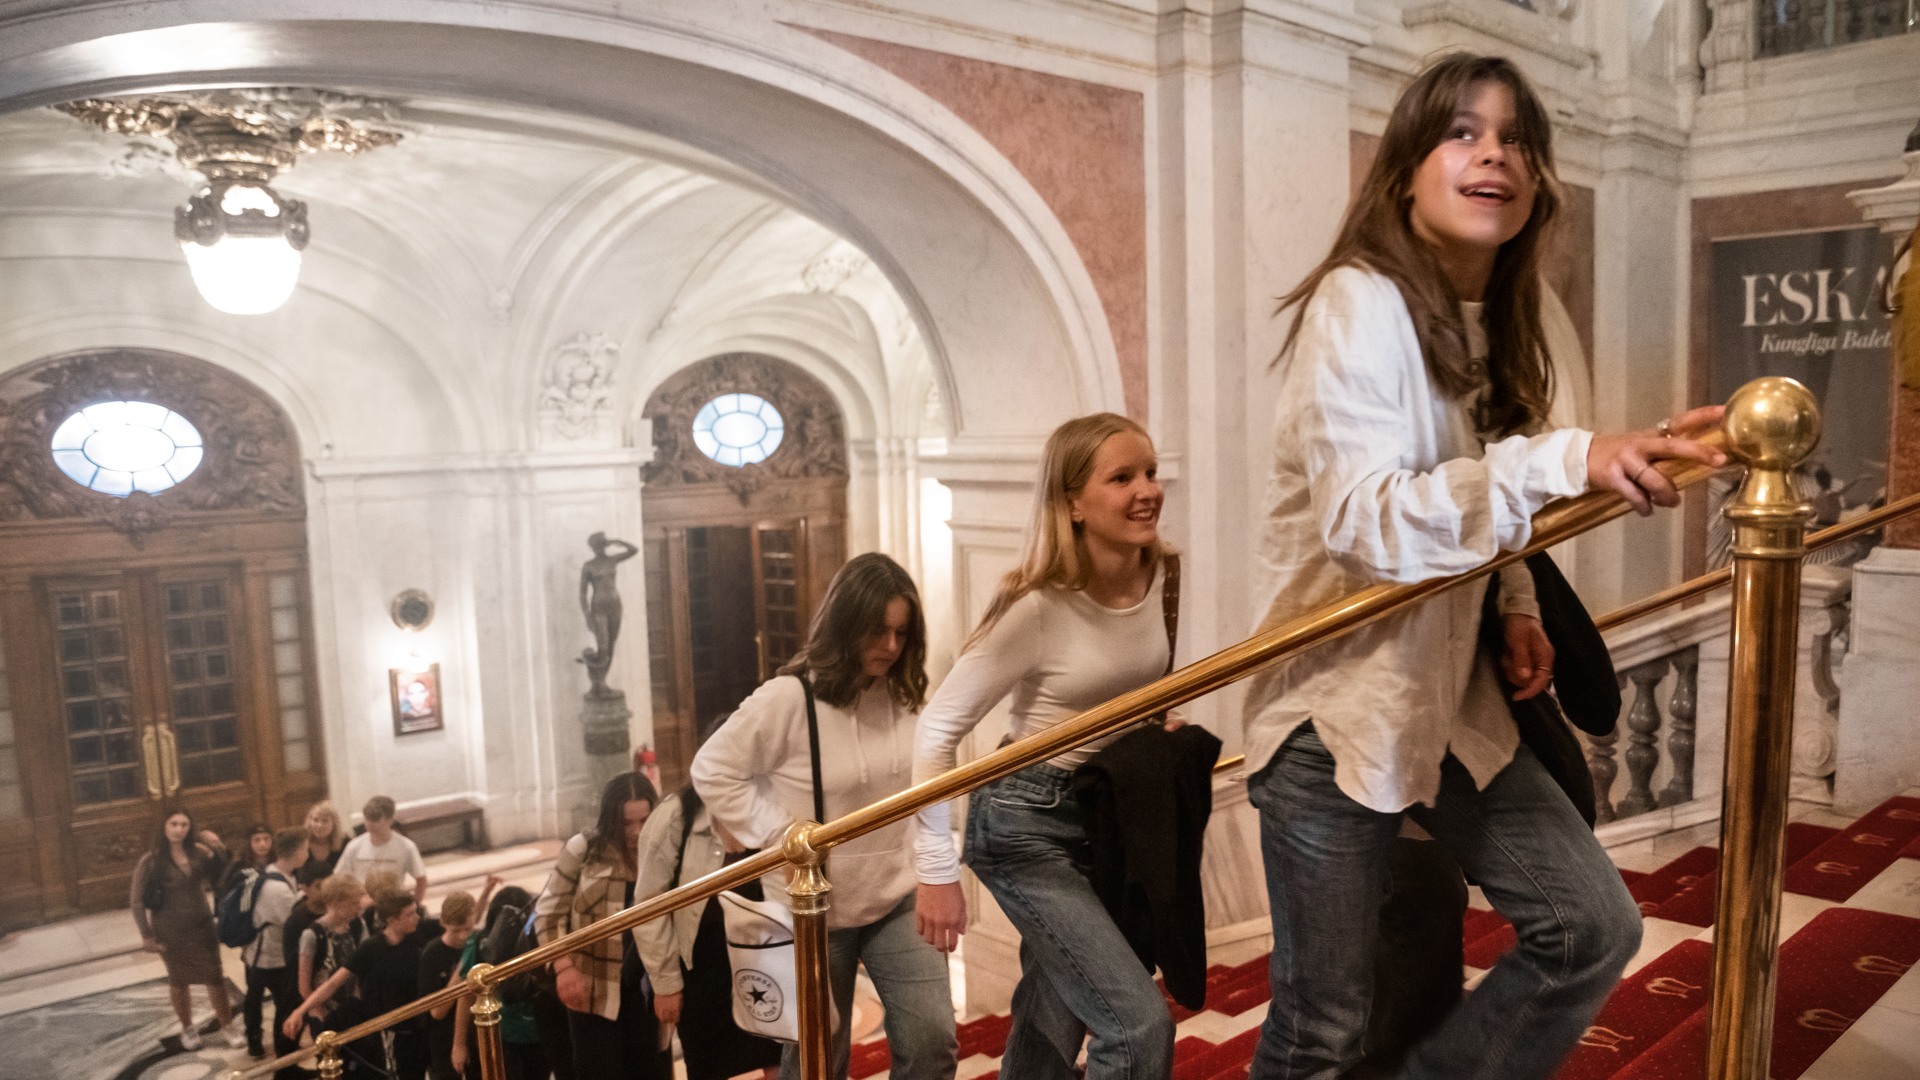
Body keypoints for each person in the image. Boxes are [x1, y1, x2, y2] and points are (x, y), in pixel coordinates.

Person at [1241, 53, 1726, 1080]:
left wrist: (1512, 600)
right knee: (1319, 1032)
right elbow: (1368, 523)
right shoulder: (1358, 303)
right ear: (1406, 167)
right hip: (1335, 714)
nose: (1494, 154)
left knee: (1590, 927)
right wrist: (1567, 457)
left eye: (1515, 139)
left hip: (1451, 703)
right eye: (1464, 131)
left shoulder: (1487, 323)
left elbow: (1470, 478)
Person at [912, 413, 1180, 1079]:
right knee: (1138, 1028)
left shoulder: (1167, 575)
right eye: (1121, 478)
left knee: (1050, 1022)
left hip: (1105, 810)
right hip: (1024, 821)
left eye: (1149, 472)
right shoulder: (1035, 605)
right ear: (1072, 504)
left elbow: (1145, 688)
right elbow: (936, 731)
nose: (1146, 490)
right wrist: (936, 870)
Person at [694, 553, 959, 1080]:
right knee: (816, 1064)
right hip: (814, 912)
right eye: (877, 632)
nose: (889, 647)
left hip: (896, 897)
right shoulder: (788, 699)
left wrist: (939, 869)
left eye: (901, 633)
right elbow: (713, 768)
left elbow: (931, 785)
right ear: (844, 626)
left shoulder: (906, 695)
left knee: (933, 1042)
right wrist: (781, 835)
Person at [634, 714, 782, 1080]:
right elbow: (649, 909)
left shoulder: (775, 809)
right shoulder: (674, 817)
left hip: (763, 952)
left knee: (780, 1055)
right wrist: (666, 984)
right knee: (709, 1063)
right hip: (701, 961)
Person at [533, 772, 672, 1080]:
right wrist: (564, 968)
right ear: (610, 819)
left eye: (644, 820)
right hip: (592, 991)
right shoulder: (584, 850)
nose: (636, 832)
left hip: (649, 991)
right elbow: (548, 915)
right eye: (626, 823)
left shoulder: (666, 851)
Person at [283, 887, 433, 1080]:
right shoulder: (371, 948)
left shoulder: (421, 933)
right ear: (392, 921)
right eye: (410, 914)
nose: (417, 918)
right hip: (390, 1029)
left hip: (419, 1022)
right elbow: (334, 983)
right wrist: (300, 1011)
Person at [130, 806, 242, 1050]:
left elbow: (226, 875)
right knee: (178, 980)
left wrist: (216, 846)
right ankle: (188, 1028)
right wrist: (146, 935)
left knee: (215, 976)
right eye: (174, 824)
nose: (179, 830)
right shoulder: (151, 860)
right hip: (169, 928)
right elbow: (136, 901)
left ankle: (227, 1025)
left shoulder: (199, 852)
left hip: (201, 924)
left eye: (184, 825)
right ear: (164, 827)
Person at [451, 887, 551, 1080]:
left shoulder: (536, 937)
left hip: (537, 1034)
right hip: (500, 1037)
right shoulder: (480, 942)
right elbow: (465, 994)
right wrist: (459, 1045)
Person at [243, 828, 310, 1067]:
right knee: (287, 1007)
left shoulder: (276, 873)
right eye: (305, 848)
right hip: (271, 958)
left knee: (284, 1004)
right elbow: (293, 924)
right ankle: (286, 1061)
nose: (307, 853)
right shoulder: (278, 888)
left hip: (263, 953)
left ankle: (286, 1055)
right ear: (297, 851)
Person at [295, 874, 369, 1025]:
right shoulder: (312, 935)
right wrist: (321, 1012)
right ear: (336, 903)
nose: (359, 908)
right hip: (326, 1009)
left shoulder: (357, 926)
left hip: (355, 1005)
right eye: (353, 903)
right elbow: (304, 984)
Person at [421, 891, 479, 1080]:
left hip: (477, 1034)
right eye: (456, 930)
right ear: (443, 924)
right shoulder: (432, 954)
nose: (463, 936)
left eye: (468, 929)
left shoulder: (479, 943)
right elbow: (437, 1011)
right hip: (443, 1041)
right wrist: (463, 966)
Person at [336, 796, 429, 904]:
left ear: (390, 820)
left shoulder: (406, 847)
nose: (369, 824)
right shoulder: (354, 846)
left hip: (392, 903)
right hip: (361, 903)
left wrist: (415, 906)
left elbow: (421, 880)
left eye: (376, 820)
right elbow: (340, 878)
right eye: (367, 819)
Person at [298, 801, 349, 887]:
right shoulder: (299, 843)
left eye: (325, 821)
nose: (319, 825)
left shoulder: (345, 843)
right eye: (315, 820)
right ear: (309, 822)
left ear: (334, 823)